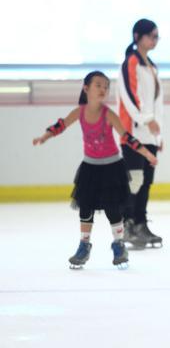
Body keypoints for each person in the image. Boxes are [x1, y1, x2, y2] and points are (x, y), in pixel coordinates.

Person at [33, 71, 158, 269]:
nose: (103, 89)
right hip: (90, 168)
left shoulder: (108, 114)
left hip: (112, 168)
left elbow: (127, 137)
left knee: (112, 209)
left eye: (106, 86)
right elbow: (61, 125)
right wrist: (44, 137)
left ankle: (118, 245)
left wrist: (147, 154)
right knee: (85, 207)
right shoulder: (80, 112)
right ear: (86, 88)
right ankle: (84, 245)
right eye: (98, 85)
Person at [117, 19, 164, 249]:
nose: (154, 40)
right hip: (133, 133)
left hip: (150, 134)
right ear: (138, 36)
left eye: (157, 36)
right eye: (151, 36)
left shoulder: (151, 66)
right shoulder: (131, 63)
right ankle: (127, 225)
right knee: (134, 181)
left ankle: (141, 223)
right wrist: (146, 120)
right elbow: (130, 96)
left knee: (145, 182)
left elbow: (157, 103)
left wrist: (158, 135)